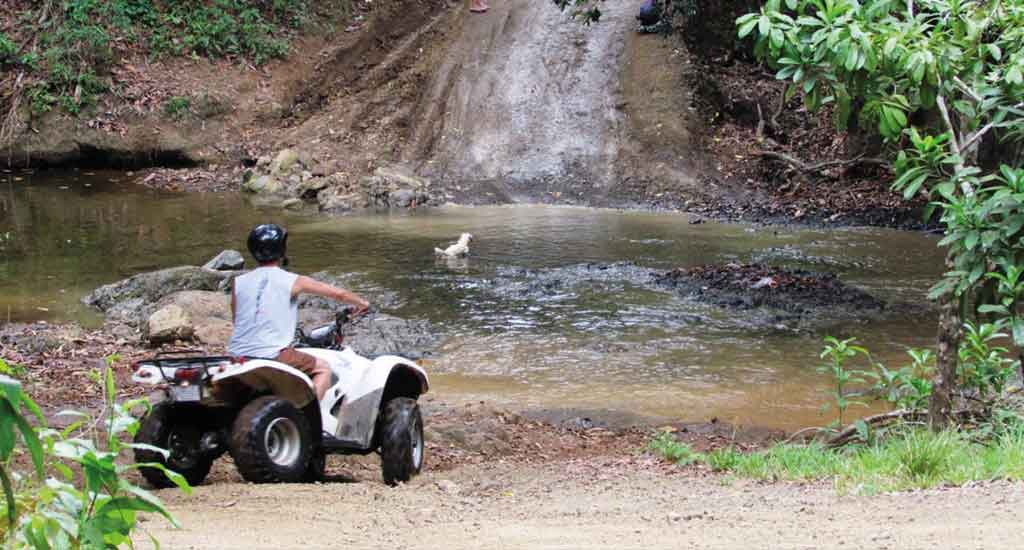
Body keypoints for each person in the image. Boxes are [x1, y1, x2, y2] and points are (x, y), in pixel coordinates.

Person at [228, 223, 370, 401]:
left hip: (237, 356)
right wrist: (362, 303)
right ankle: (309, 414)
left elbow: (237, 319)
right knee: (323, 369)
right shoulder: (293, 280)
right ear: (281, 250)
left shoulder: (238, 282)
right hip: (273, 354)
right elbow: (339, 294)